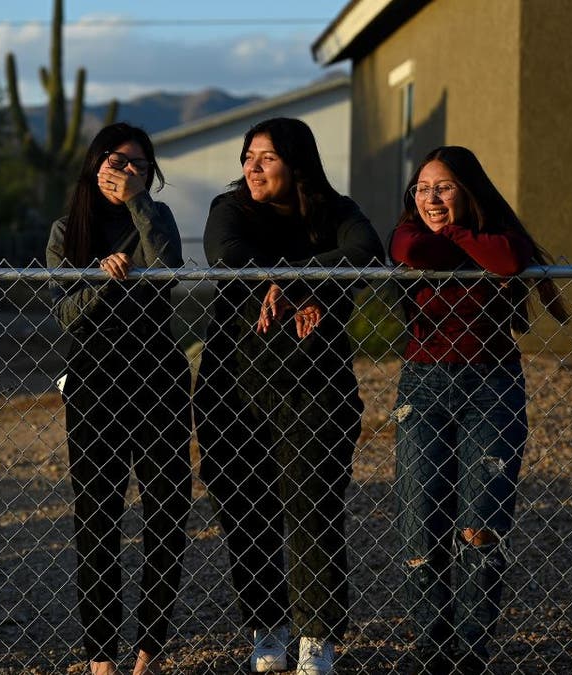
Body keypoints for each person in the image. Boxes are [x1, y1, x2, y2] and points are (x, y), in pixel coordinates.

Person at [194, 117, 383, 674]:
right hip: (234, 386)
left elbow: (367, 253)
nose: (251, 167)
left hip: (315, 387)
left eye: (266, 157)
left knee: (311, 508)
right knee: (243, 507)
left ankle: (315, 636)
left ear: (296, 163)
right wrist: (292, 280)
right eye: (248, 156)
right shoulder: (231, 209)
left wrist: (296, 282)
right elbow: (226, 255)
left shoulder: (336, 211)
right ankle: (268, 627)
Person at [388, 145, 569, 674]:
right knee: (420, 519)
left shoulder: (501, 237)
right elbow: (418, 256)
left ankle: (471, 649)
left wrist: (460, 238)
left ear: (469, 191)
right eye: (421, 189)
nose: (430, 198)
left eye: (443, 187)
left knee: (480, 523)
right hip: (422, 388)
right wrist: (466, 248)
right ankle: (430, 645)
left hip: (492, 387)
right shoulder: (405, 232)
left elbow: (508, 261)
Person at [46, 122, 193, 675]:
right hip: (95, 380)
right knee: (97, 517)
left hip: (158, 374)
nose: (127, 171)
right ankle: (101, 658)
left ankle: (147, 652)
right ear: (94, 163)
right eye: (117, 160)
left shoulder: (155, 217)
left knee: (165, 510)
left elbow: (168, 270)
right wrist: (106, 281)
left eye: (139, 164)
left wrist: (139, 208)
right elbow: (64, 313)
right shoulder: (68, 230)